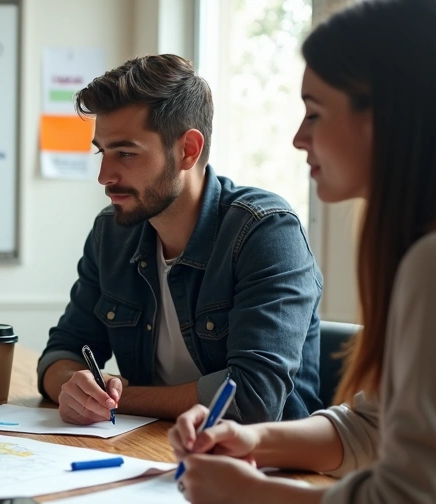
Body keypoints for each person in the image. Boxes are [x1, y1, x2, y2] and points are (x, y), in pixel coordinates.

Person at [170, 0, 436, 504]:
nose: (299, 137)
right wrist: (255, 440)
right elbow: (375, 426)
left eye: (315, 113)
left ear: (387, 117)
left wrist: (252, 498)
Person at [39, 54, 323, 424]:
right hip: (149, 446)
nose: (104, 176)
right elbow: (60, 353)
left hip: (258, 456)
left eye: (125, 153)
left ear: (188, 150)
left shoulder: (266, 232)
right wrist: (73, 386)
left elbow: (253, 398)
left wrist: (118, 399)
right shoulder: (112, 233)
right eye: (102, 152)